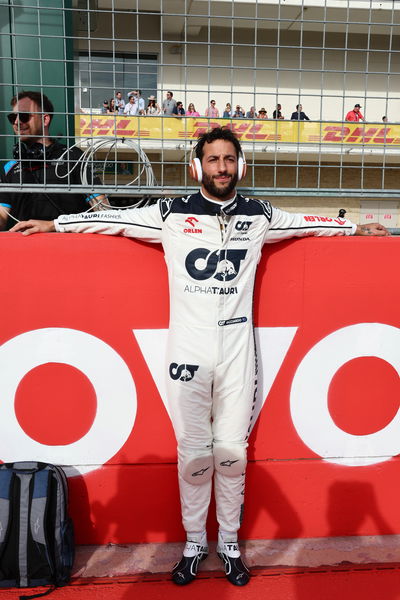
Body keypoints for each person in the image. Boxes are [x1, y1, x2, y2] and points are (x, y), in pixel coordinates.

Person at [10, 127, 389, 587]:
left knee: (232, 454)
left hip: (237, 353)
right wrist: (56, 224)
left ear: (241, 166)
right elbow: (114, 220)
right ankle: (194, 544)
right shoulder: (171, 213)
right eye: (213, 160)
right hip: (187, 354)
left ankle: (228, 544)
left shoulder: (260, 214)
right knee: (193, 455)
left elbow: (309, 221)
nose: (222, 168)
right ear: (198, 167)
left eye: (229, 159)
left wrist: (354, 227)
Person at [0, 90, 109, 230]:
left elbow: (104, 212)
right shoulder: (10, 167)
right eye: (12, 117)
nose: (16, 122)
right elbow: (2, 216)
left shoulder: (73, 157)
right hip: (25, 248)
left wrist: (54, 226)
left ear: (45, 119)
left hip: (68, 246)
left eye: (24, 116)